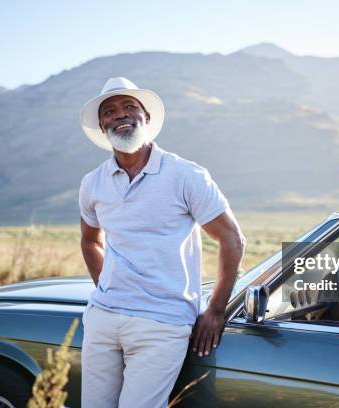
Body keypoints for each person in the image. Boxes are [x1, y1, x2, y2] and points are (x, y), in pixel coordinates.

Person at [78, 77, 245, 408]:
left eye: (130, 106)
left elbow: (231, 239)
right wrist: (107, 287)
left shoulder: (186, 175)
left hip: (162, 322)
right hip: (103, 318)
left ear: (147, 118)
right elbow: (89, 241)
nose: (121, 114)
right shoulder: (92, 183)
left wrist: (215, 309)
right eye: (110, 111)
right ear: (102, 125)